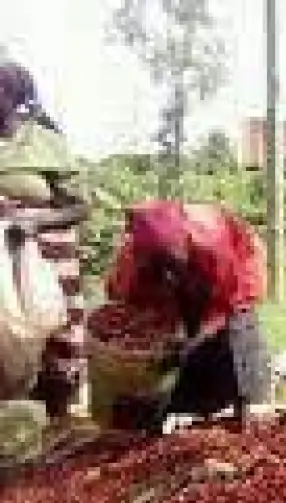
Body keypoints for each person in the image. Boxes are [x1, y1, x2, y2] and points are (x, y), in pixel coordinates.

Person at [104, 200, 271, 433]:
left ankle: (245, 406)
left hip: (237, 273)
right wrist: (148, 334)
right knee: (170, 354)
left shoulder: (212, 241)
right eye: (159, 262)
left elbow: (225, 303)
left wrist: (191, 342)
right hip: (192, 276)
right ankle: (173, 411)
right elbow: (127, 297)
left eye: (171, 259)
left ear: (183, 243)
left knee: (236, 333)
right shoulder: (135, 255)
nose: (168, 268)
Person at [0, 60, 90, 421]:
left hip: (45, 255)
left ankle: (59, 416)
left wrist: (35, 222)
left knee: (55, 333)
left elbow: (81, 206)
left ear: (13, 96)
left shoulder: (46, 142)